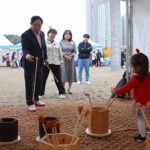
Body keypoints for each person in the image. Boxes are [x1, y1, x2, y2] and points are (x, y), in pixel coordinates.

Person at [111, 49, 150, 142]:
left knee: (140, 119)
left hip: (139, 105)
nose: (132, 69)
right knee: (148, 117)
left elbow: (126, 88)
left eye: (133, 67)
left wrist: (116, 91)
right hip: (149, 103)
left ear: (139, 67)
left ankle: (142, 136)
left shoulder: (135, 78)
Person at [21, 16, 48, 112]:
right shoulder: (25, 35)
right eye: (35, 25)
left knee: (38, 82)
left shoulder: (42, 34)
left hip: (39, 62)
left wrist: (46, 58)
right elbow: (24, 49)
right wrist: (27, 55)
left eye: (39, 25)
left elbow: (43, 48)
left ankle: (36, 99)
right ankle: (30, 102)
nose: (37, 27)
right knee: (30, 82)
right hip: (29, 62)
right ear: (31, 24)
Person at [39, 28, 65, 99]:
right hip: (46, 63)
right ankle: (40, 93)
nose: (53, 35)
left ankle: (62, 92)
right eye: (52, 33)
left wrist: (61, 63)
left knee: (58, 78)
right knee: (43, 79)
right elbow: (42, 53)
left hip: (56, 63)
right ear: (48, 34)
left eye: (54, 34)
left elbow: (60, 54)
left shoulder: (57, 43)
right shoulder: (43, 42)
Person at [59, 30, 77, 94]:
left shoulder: (73, 42)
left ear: (71, 36)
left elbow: (75, 51)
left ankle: (69, 89)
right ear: (63, 35)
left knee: (70, 74)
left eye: (69, 34)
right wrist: (65, 56)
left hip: (71, 60)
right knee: (63, 74)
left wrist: (71, 56)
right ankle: (63, 88)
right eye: (66, 34)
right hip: (63, 60)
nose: (67, 35)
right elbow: (60, 50)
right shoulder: (61, 42)